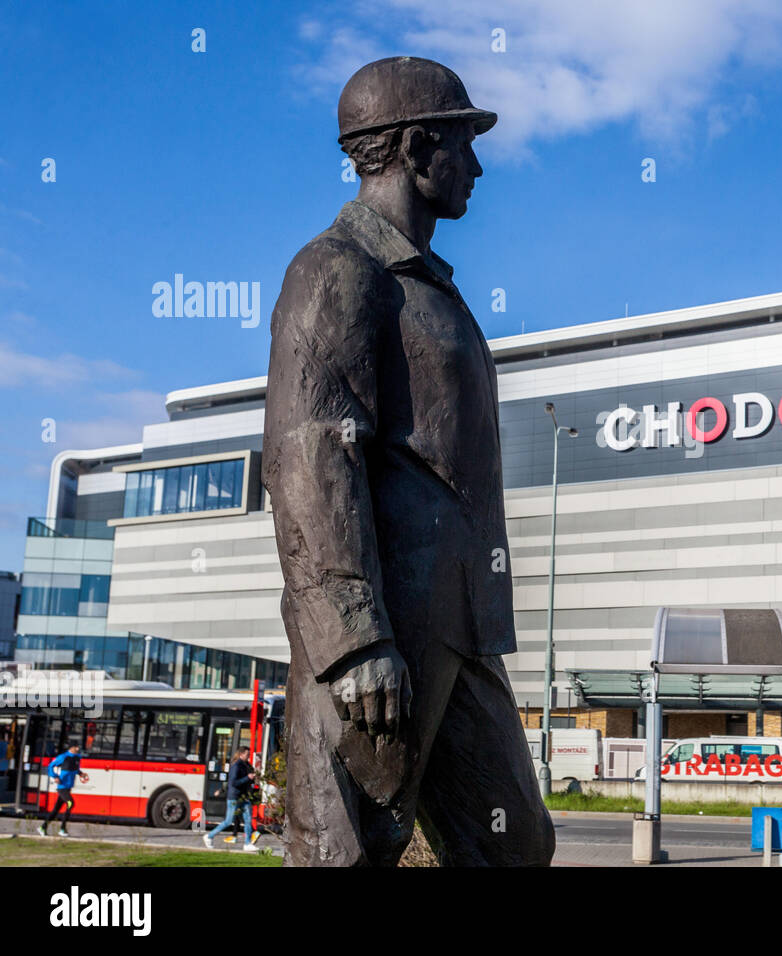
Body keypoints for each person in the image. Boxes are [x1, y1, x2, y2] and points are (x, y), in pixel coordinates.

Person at [263, 56, 554, 866]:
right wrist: (355, 642)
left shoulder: (430, 288)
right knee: (343, 856)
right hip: (377, 638)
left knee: (517, 847)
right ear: (421, 147)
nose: (479, 166)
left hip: (460, 631)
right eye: (465, 143)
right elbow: (308, 458)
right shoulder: (337, 272)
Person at [204, 746, 259, 851]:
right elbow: (233, 782)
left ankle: (247, 844)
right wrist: (247, 777)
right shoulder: (236, 766)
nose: (248, 756)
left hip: (244, 797)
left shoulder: (246, 765)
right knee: (228, 821)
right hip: (234, 797)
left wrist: (252, 778)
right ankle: (209, 836)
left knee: (248, 820)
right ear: (241, 754)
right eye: (247, 755)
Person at [37, 743, 89, 837]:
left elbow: (75, 769)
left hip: (68, 787)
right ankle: (62, 829)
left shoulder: (78, 757)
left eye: (78, 747)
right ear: (71, 747)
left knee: (55, 810)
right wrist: (55, 776)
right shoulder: (63, 757)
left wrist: (81, 773)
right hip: (62, 787)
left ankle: (42, 828)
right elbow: (50, 766)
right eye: (76, 747)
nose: (78, 748)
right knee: (70, 803)